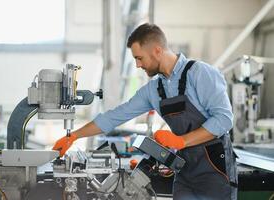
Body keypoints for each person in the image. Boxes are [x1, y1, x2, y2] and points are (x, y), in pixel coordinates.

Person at [53, 23, 237, 200]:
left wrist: (181, 141)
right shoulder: (153, 90)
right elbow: (114, 116)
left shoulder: (200, 73)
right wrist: (74, 136)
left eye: (139, 58)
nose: (138, 65)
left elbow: (224, 119)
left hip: (214, 168)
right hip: (185, 170)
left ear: (157, 50)